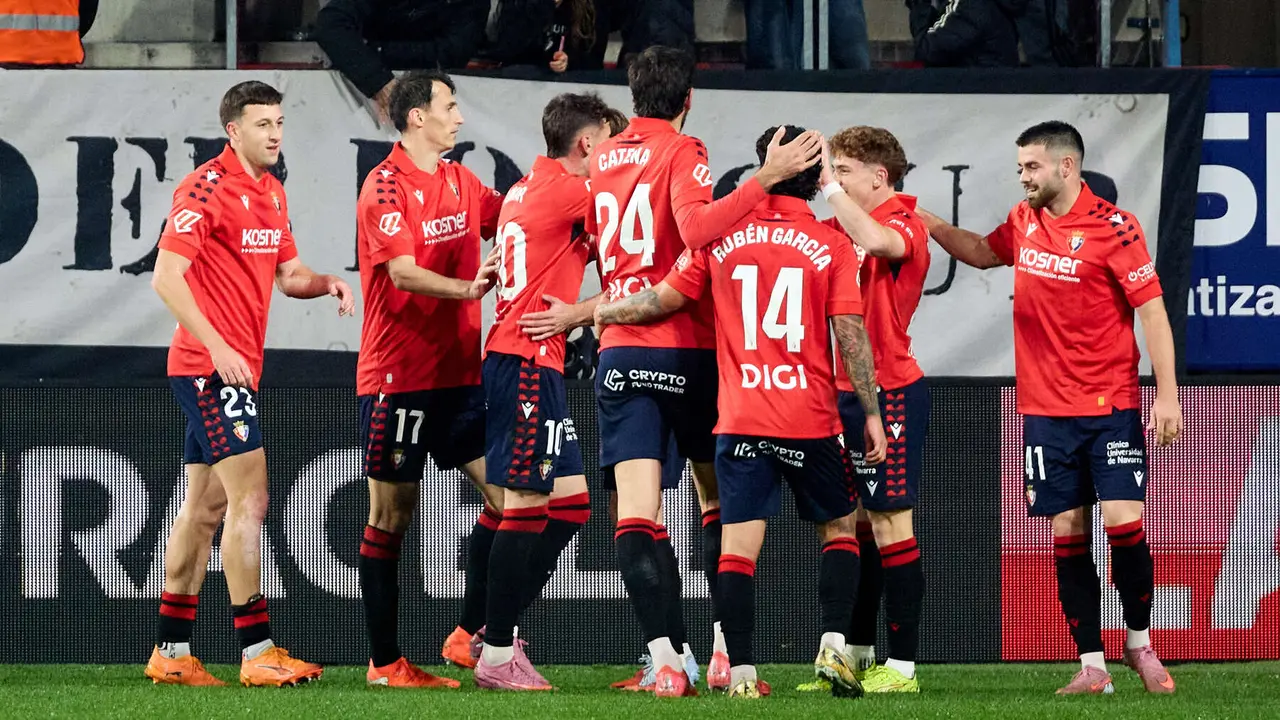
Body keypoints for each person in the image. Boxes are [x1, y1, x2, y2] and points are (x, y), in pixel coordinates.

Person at [594, 124, 888, 700]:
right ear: (816, 178)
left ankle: (742, 674)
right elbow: (850, 333)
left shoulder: (720, 238)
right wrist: (871, 410)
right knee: (839, 528)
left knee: (736, 550)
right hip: (809, 417)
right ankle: (833, 645)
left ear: (765, 168)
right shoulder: (830, 242)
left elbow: (664, 299)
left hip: (741, 418)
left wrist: (606, 312)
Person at [586, 45, 821, 697]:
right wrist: (764, 180)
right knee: (717, 501)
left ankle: (666, 662)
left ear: (633, 95)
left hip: (622, 348)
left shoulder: (601, 157)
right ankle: (722, 653)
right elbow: (695, 230)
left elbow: (594, 235)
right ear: (688, 99)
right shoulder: (683, 150)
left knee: (636, 515)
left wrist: (593, 309)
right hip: (687, 347)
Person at [921, 121, 1182, 695]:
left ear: (1067, 166)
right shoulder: (1023, 220)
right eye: (1020, 167)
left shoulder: (1115, 228)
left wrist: (1167, 394)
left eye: (1032, 166)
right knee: (1067, 530)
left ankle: (1139, 643)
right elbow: (982, 253)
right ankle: (1092, 665)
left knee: (1124, 522)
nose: (1023, 177)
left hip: (1110, 405)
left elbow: (1153, 312)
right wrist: (928, 222)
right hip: (1043, 411)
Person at [144, 81, 354, 688]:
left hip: (232, 369)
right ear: (233, 130)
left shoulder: (272, 191)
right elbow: (166, 276)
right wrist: (217, 346)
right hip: (208, 368)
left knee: (205, 507)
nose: (275, 133)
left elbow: (288, 274)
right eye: (263, 124)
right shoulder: (204, 187)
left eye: (280, 122)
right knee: (251, 499)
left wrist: (326, 283)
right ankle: (257, 651)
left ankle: (171, 651)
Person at [353, 69, 506, 688]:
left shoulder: (461, 180)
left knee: (509, 500)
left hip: (460, 377)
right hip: (399, 379)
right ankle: (385, 663)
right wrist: (468, 289)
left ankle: (468, 634)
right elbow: (403, 273)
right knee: (391, 518)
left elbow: (512, 219)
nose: (459, 117)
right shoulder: (384, 186)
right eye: (450, 105)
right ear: (418, 116)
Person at [472, 92, 623, 691]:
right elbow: (641, 238)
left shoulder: (525, 186)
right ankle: (495, 651)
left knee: (570, 504)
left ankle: (493, 630)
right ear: (588, 142)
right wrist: (584, 312)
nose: (616, 155)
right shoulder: (574, 192)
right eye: (610, 141)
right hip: (527, 358)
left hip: (524, 357)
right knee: (526, 506)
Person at [797, 127, 930, 694]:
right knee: (853, 526)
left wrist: (829, 187)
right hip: (834, 394)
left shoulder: (904, 224)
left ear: (880, 176)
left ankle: (903, 669)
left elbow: (877, 242)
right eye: (833, 171)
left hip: (889, 390)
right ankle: (854, 655)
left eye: (844, 171)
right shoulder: (836, 230)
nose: (834, 181)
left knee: (891, 523)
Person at [313, 0, 490, 124]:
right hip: (364, 104)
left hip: (444, 103)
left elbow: (455, 52)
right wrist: (380, 84)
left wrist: (378, 51)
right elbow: (330, 24)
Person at [904, 0, 1025, 68]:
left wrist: (919, 5)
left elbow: (927, 50)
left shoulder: (970, 6)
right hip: (989, 94)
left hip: (977, 96)